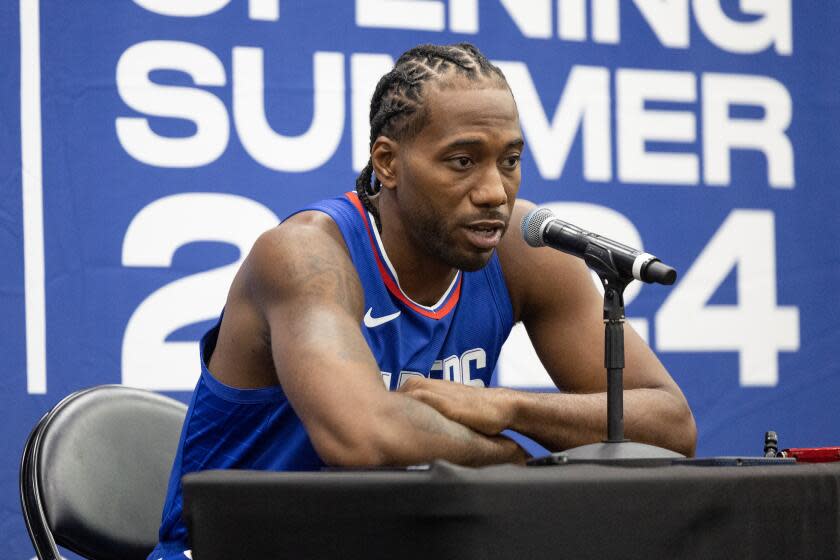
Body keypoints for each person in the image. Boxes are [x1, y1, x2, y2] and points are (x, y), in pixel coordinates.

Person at [148, 43, 696, 560]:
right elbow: (364, 437)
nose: (494, 191)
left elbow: (670, 425)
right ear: (387, 163)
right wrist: (511, 460)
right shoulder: (306, 256)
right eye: (462, 161)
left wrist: (511, 406)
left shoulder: (522, 251)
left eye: (509, 160)